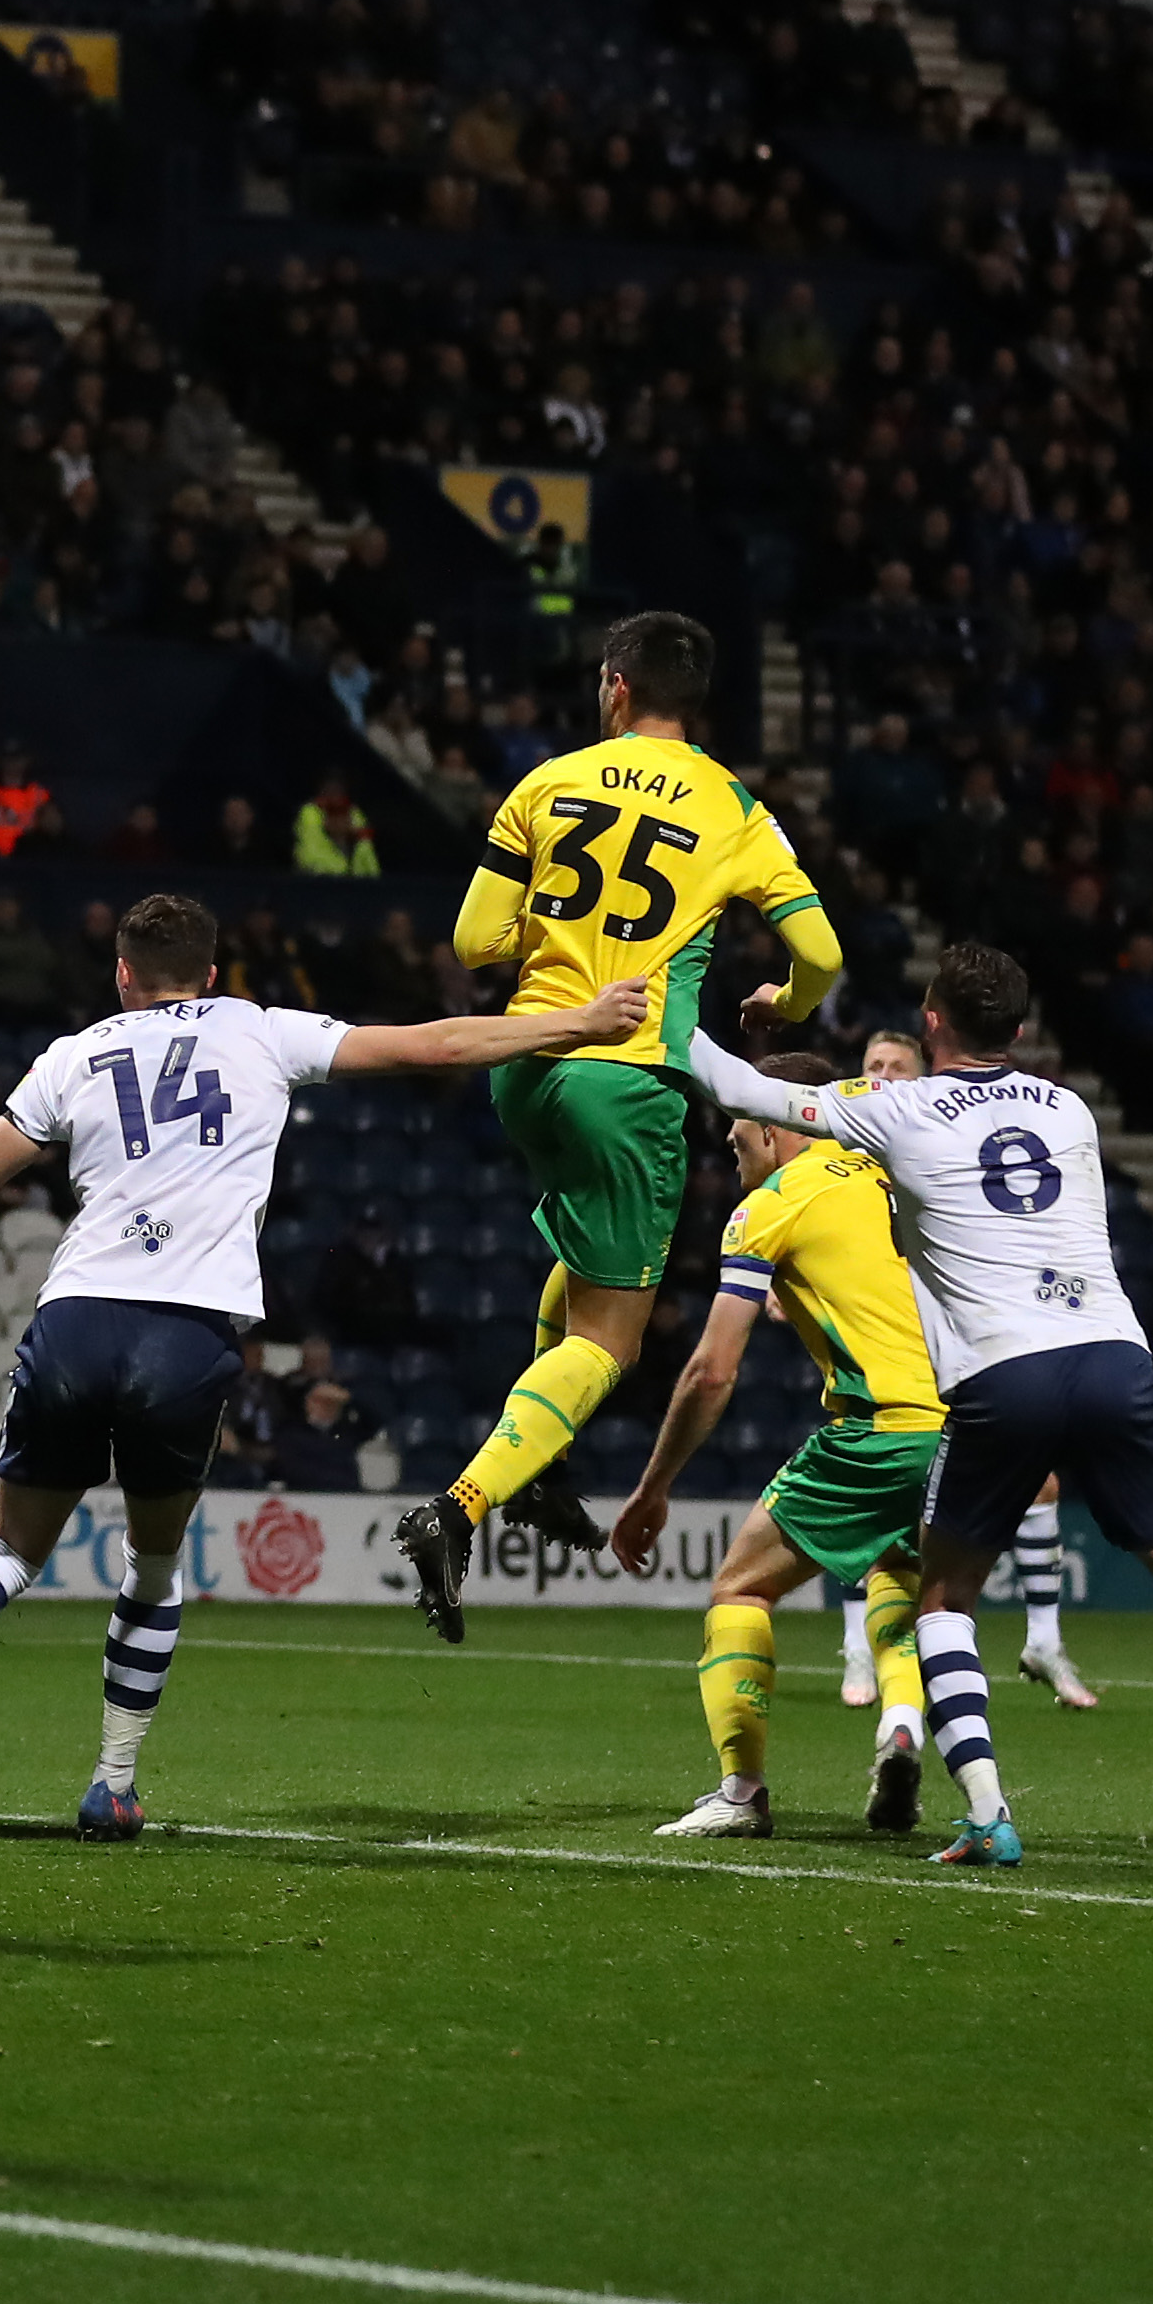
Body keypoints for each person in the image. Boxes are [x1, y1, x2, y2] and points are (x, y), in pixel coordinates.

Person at [0, 893, 646, 1847]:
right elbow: (434, 1045)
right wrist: (577, 1021)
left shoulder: (75, 1054)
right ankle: (113, 1784)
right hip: (187, 1334)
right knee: (157, 1563)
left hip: (79, 1316)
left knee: (6, 1552)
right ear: (214, 974)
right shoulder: (263, 1032)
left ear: (121, 973)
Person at [683, 942, 1153, 1874]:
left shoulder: (895, 1109)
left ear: (930, 1023)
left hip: (1002, 1378)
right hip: (1114, 1361)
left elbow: (737, 1087)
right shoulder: (1071, 1109)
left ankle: (987, 1810)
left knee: (942, 1600)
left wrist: (654, 998)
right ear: (1020, 1028)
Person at [399, 611, 843, 1643]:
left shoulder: (545, 784)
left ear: (613, 688)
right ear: (696, 703)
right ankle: (458, 1510)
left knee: (581, 1271)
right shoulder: (732, 803)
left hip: (527, 1064)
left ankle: (541, 1468)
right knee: (612, 1338)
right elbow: (819, 951)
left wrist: (547, 935)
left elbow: (474, 942)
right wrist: (787, 998)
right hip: (629, 1082)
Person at [606, 1049, 940, 1841]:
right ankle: (901, 1725)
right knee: (900, 1571)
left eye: (737, 1138)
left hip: (882, 1428)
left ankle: (741, 1789)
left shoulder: (772, 1207)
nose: (733, 1153)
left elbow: (710, 1373)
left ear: (774, 1124)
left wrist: (654, 1487)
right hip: (970, 1427)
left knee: (740, 1589)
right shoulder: (896, 1172)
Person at [833, 1024, 1094, 1712]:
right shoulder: (846, 1151)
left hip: (954, 1338)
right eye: (871, 1065)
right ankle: (861, 1647)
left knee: (1040, 1485)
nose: (883, 1075)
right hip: (871, 1341)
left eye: (895, 1065)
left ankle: (1043, 1639)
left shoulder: (938, 1142)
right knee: (874, 1483)